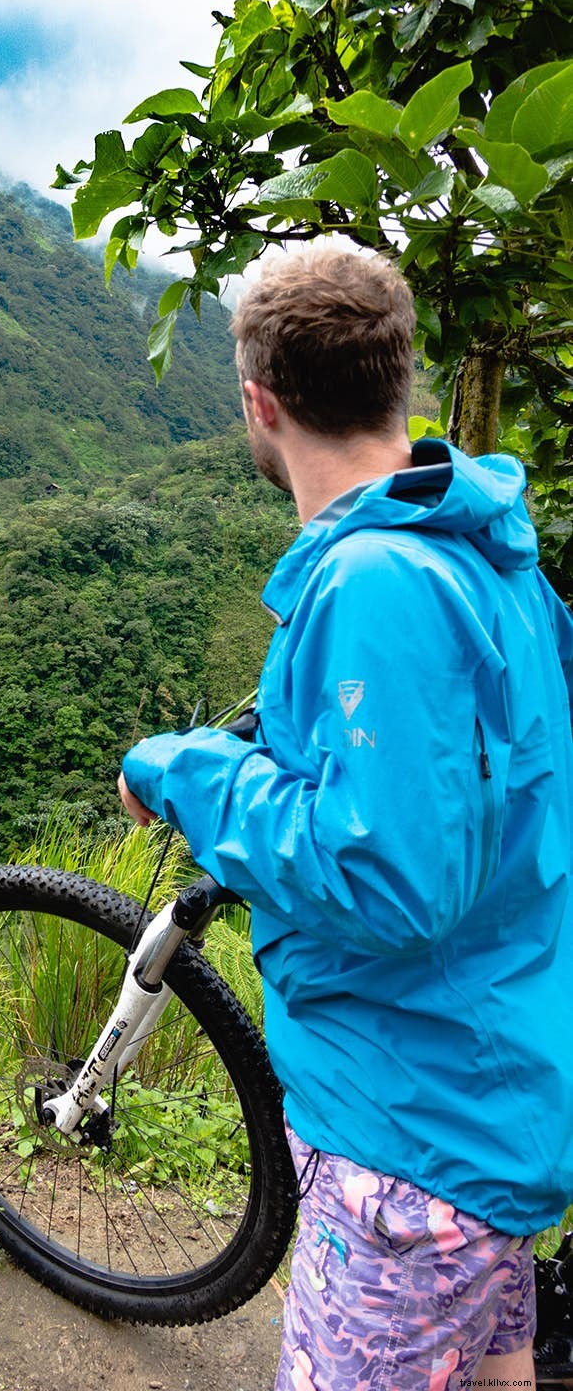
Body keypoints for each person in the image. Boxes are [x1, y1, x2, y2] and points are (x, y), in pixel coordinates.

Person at [118, 246, 573, 1391]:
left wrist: (186, 774)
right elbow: (460, 786)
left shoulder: (374, 583)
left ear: (257, 405)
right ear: (399, 378)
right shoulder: (484, 550)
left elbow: (388, 881)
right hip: (495, 1077)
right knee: (495, 1362)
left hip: (406, 1134)